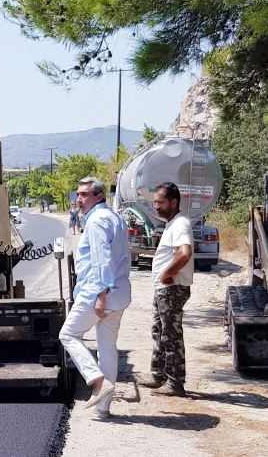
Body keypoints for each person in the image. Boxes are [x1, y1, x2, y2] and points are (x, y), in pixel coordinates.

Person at [59, 177, 131, 419]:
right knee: (107, 349)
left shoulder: (97, 221)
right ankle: (103, 408)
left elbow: (102, 259)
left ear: (99, 196)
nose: (78, 199)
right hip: (118, 294)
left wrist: (101, 295)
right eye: (77, 194)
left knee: (68, 334)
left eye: (84, 195)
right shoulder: (115, 218)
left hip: (98, 293)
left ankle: (96, 380)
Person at [139, 182, 193, 397]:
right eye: (154, 201)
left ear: (173, 202)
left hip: (172, 289)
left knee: (171, 335)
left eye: (160, 202)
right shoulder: (172, 223)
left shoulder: (180, 223)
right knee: (160, 331)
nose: (156, 206)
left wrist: (167, 273)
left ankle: (175, 383)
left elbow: (184, 253)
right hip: (164, 290)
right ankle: (159, 375)